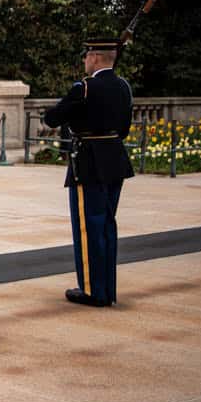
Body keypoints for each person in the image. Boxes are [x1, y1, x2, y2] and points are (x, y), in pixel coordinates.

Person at [43, 36, 134, 307]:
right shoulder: (124, 87)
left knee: (88, 227)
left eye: (86, 56)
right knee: (107, 224)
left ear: (94, 57)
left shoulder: (83, 88)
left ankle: (93, 291)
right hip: (116, 159)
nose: (84, 60)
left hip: (90, 161)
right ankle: (107, 289)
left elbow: (52, 118)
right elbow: (125, 128)